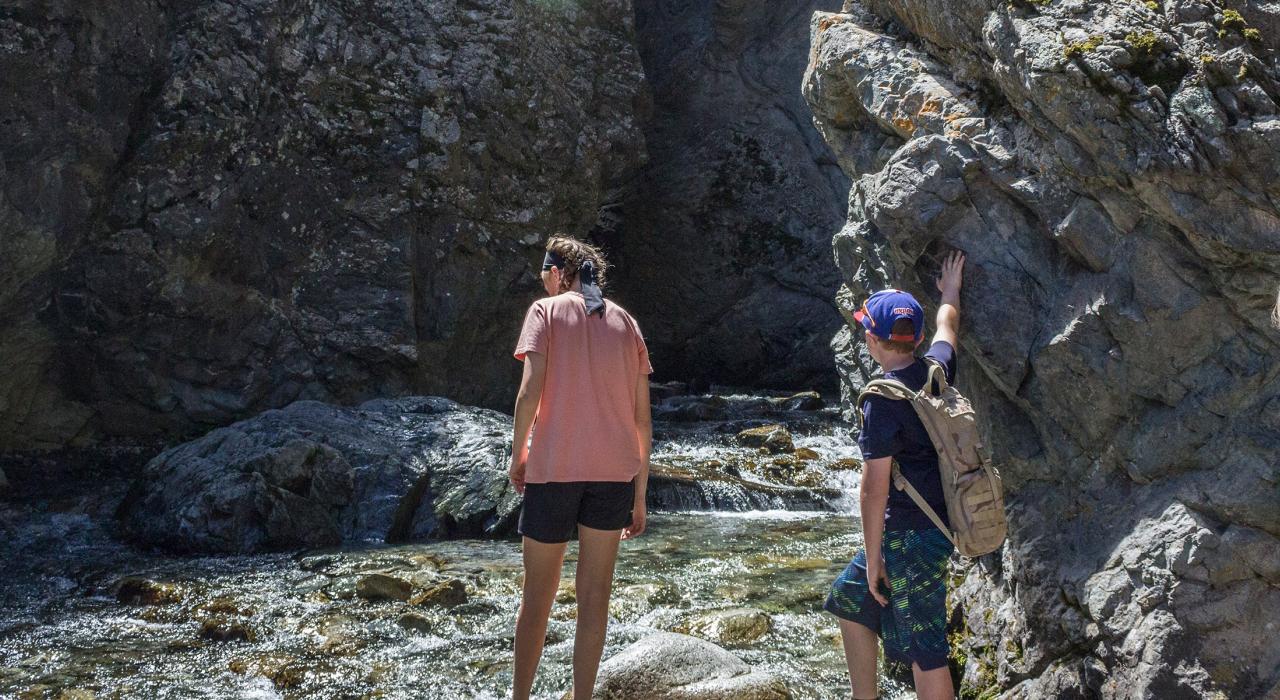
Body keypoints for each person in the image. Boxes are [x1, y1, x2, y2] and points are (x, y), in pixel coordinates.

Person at [508, 235, 653, 700]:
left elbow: (529, 392)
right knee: (594, 600)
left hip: (554, 470)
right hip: (614, 477)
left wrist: (518, 455)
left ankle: (520, 697)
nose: (543, 284)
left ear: (557, 273)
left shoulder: (544, 313)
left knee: (537, 598)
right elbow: (642, 419)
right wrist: (640, 494)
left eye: (544, 276)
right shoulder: (626, 323)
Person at [825, 251, 967, 700]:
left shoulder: (881, 400)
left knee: (926, 650)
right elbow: (948, 327)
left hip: (909, 537)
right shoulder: (936, 370)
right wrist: (950, 291)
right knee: (849, 599)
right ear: (916, 337)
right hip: (932, 525)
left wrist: (873, 560)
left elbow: (874, 489)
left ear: (872, 339)